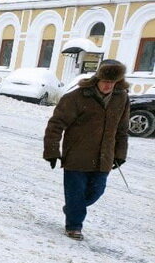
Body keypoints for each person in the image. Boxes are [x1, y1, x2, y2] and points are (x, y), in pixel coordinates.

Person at [43, 59, 130, 240]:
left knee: (96, 192)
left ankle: (73, 208)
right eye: (105, 81)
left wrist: (120, 154)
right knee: (76, 193)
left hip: (104, 157)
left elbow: (122, 129)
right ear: (97, 78)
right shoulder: (77, 97)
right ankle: (74, 226)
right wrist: (51, 151)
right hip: (77, 156)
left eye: (112, 83)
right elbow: (56, 125)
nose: (107, 86)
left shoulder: (121, 98)